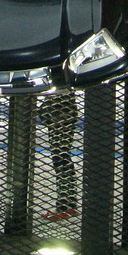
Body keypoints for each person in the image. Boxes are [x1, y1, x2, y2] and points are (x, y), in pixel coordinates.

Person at [37, 90, 78, 222]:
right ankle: (69, 204)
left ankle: (64, 206)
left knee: (60, 160)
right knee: (62, 158)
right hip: (61, 116)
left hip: (60, 117)